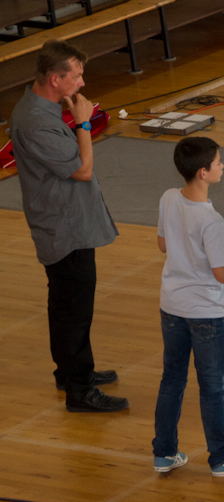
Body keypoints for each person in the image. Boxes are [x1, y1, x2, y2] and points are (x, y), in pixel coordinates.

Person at [11, 40, 125, 412]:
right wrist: (83, 122)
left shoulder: (39, 109)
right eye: (76, 76)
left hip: (67, 221)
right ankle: (79, 389)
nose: (82, 82)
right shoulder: (35, 122)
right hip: (64, 228)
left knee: (65, 304)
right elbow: (82, 170)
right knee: (73, 309)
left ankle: (71, 372)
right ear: (54, 79)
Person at [151, 137, 224, 476]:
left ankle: (164, 452)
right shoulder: (213, 222)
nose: (222, 166)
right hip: (206, 314)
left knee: (172, 379)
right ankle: (222, 457)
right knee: (212, 386)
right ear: (203, 172)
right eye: (218, 162)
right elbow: (221, 273)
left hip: (172, 306)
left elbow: (163, 244)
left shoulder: (169, 198)